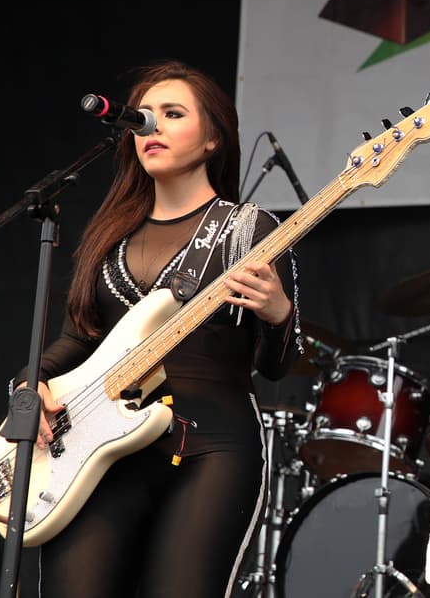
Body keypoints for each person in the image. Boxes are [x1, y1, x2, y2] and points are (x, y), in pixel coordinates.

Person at [17, 60, 301, 598]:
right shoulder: (111, 235)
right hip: (99, 451)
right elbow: (76, 341)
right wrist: (30, 386)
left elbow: (275, 365)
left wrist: (278, 312)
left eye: (173, 114)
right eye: (145, 115)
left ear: (214, 139)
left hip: (211, 451)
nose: (153, 126)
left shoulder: (247, 229)